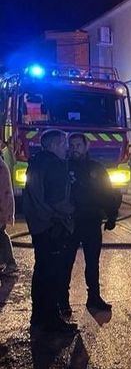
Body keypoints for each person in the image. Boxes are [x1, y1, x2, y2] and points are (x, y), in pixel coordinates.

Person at [60, 133, 121, 315]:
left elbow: (108, 193)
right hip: (70, 223)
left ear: (86, 147)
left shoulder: (97, 168)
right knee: (66, 262)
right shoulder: (63, 168)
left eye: (78, 145)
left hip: (91, 222)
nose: (74, 149)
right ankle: (63, 301)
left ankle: (94, 297)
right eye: (72, 145)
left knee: (92, 263)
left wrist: (111, 216)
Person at [22, 129, 76, 332]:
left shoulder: (37, 162)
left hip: (40, 225)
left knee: (42, 272)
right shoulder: (53, 165)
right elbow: (57, 201)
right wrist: (72, 211)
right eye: (63, 144)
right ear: (53, 145)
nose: (67, 148)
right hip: (52, 226)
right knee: (52, 274)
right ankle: (52, 321)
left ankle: (39, 317)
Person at [0, 149, 18, 276]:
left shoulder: (0, 167)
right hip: (2, 207)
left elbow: (3, 191)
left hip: (1, 208)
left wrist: (4, 211)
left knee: (1, 234)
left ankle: (11, 263)